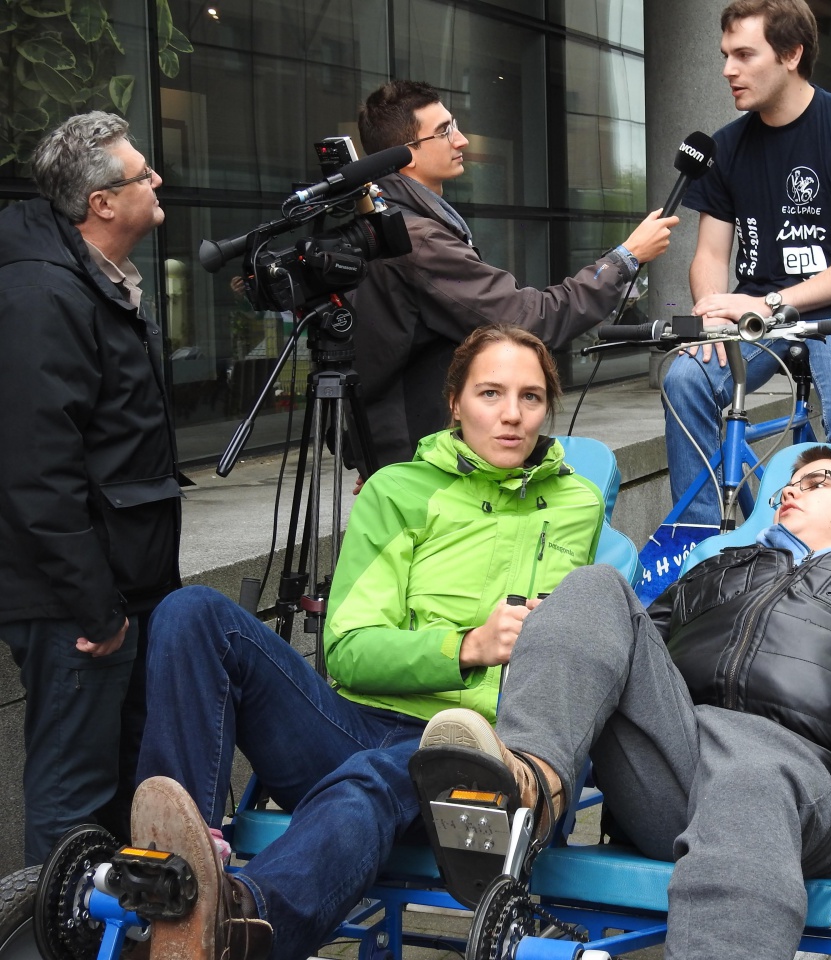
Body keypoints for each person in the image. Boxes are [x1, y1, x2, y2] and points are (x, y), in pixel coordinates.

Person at [130, 325, 607, 960]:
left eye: (531, 397)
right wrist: (466, 647)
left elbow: (596, 648)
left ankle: (242, 925)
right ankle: (178, 873)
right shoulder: (397, 491)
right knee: (192, 612)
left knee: (380, 776)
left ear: (548, 408)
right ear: (455, 403)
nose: (512, 414)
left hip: (480, 758)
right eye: (490, 393)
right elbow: (350, 651)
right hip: (356, 726)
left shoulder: (579, 503)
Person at [414, 445, 831, 960]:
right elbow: (629, 645)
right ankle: (528, 793)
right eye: (787, 484)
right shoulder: (723, 567)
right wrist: (569, 629)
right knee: (594, 588)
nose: (789, 491)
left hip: (803, 785)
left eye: (816, 482)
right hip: (678, 760)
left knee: (751, 776)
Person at [0, 112, 179, 865]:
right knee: (71, 800)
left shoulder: (91, 278)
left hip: (115, 586)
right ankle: (51, 926)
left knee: (112, 787)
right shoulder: (44, 295)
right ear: (101, 203)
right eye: (143, 174)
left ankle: (110, 922)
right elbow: (35, 471)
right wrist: (95, 605)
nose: (157, 180)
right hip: (73, 603)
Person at [349, 80, 678, 472]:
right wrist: (625, 258)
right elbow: (532, 318)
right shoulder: (417, 240)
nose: (462, 140)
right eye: (444, 131)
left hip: (409, 449)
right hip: (422, 458)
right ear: (405, 156)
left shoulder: (391, 224)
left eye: (454, 126)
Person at [662, 0, 831, 525]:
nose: (728, 69)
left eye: (745, 55)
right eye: (726, 55)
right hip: (757, 319)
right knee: (685, 379)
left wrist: (769, 302)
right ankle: (702, 543)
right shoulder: (725, 147)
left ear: (792, 54)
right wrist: (712, 311)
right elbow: (709, 255)